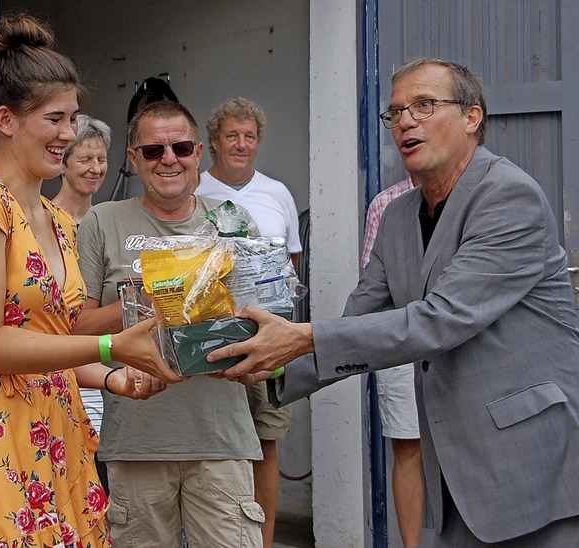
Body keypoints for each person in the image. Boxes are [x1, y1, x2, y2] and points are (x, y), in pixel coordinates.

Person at [208, 58, 579, 546]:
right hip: (455, 468)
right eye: (396, 112)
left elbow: (441, 320)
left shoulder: (508, 197)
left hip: (529, 460)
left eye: (424, 105)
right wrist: (266, 364)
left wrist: (301, 338)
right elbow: (360, 314)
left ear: (473, 117)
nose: (405, 120)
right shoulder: (398, 215)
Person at [0, 14, 174, 547]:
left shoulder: (60, 219)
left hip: (58, 428)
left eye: (74, 118)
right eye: (56, 118)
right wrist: (113, 345)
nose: (70, 134)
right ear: (6, 119)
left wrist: (116, 376)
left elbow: (54, 340)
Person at [73, 100, 264, 547]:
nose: (169, 159)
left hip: (221, 441)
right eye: (154, 151)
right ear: (135, 159)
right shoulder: (103, 220)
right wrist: (153, 296)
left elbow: (265, 322)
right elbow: (76, 330)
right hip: (138, 442)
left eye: (179, 147)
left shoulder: (232, 221)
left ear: (198, 152)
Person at [195, 96, 302, 548]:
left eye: (250, 136)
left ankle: (266, 541)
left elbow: (291, 263)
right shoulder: (194, 190)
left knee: (266, 442)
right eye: (232, 135)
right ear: (213, 142)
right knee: (212, 444)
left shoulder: (277, 193)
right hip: (212, 338)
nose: (241, 144)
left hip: (268, 338)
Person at [362, 175, 424, 547]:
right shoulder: (386, 204)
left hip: (461, 341)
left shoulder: (479, 195)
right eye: (398, 115)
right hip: (400, 341)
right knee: (408, 448)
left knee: (465, 446)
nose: (409, 128)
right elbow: (372, 285)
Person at [51, 114, 112, 493]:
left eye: (101, 159)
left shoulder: (110, 221)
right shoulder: (43, 220)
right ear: (63, 162)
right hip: (67, 368)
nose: (95, 168)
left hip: (112, 370)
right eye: (85, 159)